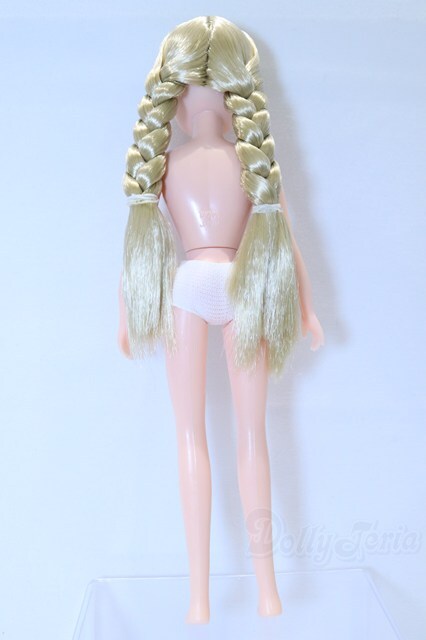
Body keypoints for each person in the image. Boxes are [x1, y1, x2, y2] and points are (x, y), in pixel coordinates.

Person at [118, 15, 324, 624]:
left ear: (177, 98)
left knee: (190, 436)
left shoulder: (166, 165)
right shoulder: (252, 164)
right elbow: (286, 242)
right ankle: (268, 591)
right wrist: (307, 310)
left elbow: (139, 250)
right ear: (237, 95)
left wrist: (126, 316)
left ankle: (199, 599)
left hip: (187, 286)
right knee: (252, 436)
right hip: (241, 283)